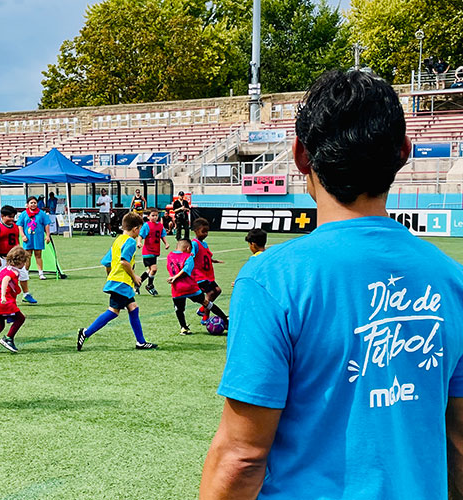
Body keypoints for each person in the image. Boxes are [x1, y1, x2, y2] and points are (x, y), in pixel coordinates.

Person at [201, 70, 463, 499]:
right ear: (403, 152)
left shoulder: (272, 279)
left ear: (301, 155)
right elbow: (459, 440)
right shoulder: (453, 281)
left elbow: (242, 456)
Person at [76, 212, 157, 351]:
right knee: (113, 311)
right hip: (122, 282)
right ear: (135, 229)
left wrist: (111, 276)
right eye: (140, 229)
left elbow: (107, 262)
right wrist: (135, 276)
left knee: (133, 308)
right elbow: (124, 262)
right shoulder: (130, 242)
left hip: (117, 281)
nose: (139, 233)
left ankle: (141, 342)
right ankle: (86, 333)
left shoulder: (118, 240)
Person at [166, 239, 228, 336]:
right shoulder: (188, 257)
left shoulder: (169, 256)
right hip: (190, 287)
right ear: (188, 248)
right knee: (206, 303)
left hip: (177, 288)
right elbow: (186, 270)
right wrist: (176, 276)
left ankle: (183, 328)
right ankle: (225, 320)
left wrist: (174, 277)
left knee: (179, 309)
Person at [0, 246, 27, 354]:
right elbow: (5, 280)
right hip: (4, 302)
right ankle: (8, 338)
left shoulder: (5, 269)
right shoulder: (13, 272)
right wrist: (3, 296)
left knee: (0, 323)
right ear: (20, 261)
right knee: (20, 318)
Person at [0, 205, 35, 303]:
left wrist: (20, 253)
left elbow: (16, 240)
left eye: (13, 217)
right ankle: (0, 297)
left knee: (23, 275)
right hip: (2, 257)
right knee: (2, 279)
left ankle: (26, 294)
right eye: (9, 217)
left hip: (15, 258)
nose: (11, 219)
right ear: (2, 216)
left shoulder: (15, 226)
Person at [191, 218, 226, 325]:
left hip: (208, 274)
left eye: (207, 231)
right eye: (203, 231)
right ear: (196, 231)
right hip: (199, 275)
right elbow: (191, 256)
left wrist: (213, 260)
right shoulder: (194, 243)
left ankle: (202, 309)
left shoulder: (204, 244)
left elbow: (204, 256)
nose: (206, 234)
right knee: (210, 293)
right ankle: (205, 317)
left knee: (218, 290)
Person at [17, 196, 52, 287]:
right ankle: (25, 273)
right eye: (31, 203)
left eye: (35, 203)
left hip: (38, 237)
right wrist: (23, 235)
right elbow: (20, 225)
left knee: (38, 255)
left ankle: (41, 273)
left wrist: (47, 235)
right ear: (27, 204)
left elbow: (46, 224)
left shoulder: (41, 213)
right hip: (27, 238)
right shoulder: (24, 214)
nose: (33, 204)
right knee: (27, 256)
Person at [137, 208, 169, 296]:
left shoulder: (160, 226)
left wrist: (166, 243)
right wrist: (139, 242)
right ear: (148, 217)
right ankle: (150, 285)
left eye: (156, 215)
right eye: (153, 215)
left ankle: (137, 283)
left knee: (150, 270)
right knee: (154, 269)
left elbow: (162, 235)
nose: (155, 217)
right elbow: (140, 236)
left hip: (155, 251)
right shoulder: (147, 225)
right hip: (147, 251)